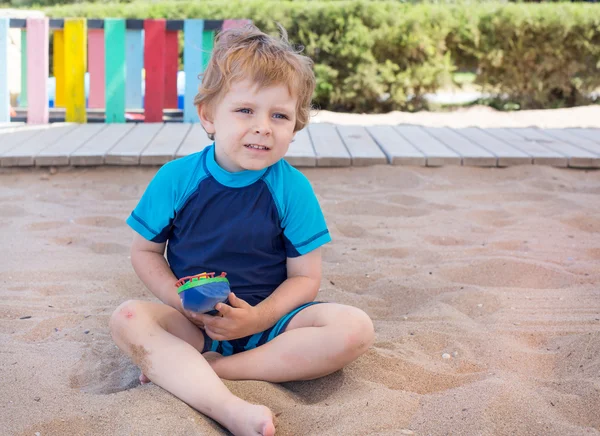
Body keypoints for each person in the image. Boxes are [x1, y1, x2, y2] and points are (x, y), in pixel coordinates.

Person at [109, 23, 374, 436]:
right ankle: (227, 407)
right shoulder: (176, 179)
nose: (263, 126)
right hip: (193, 324)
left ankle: (217, 371)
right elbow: (145, 252)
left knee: (356, 327)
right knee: (127, 318)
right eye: (246, 110)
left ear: (295, 126)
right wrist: (179, 305)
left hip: (272, 328)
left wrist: (258, 319)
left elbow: (305, 278)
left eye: (280, 115)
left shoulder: (292, 189)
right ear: (209, 115)